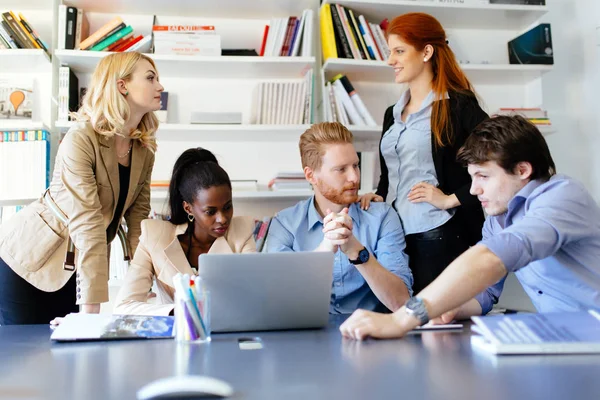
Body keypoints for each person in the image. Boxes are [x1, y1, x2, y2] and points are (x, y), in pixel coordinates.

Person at [339, 115, 600, 340]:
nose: (474, 190)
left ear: (522, 170)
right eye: (472, 178)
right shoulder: (498, 219)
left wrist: (402, 318)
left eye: (483, 176)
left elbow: (491, 258)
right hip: (562, 337)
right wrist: (451, 307)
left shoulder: (562, 197)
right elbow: (486, 292)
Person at [0, 52, 163, 325]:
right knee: (25, 358)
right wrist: (91, 317)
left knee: (68, 359)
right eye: (150, 78)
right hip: (29, 262)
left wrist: (144, 288)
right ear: (122, 85)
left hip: (75, 268)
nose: (160, 86)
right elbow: (88, 222)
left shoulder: (144, 152)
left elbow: (139, 224)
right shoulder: (80, 139)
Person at [359, 13, 488, 294]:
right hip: (392, 236)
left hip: (436, 235)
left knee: (434, 326)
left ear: (426, 51)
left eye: (399, 51)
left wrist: (451, 199)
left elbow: (499, 162)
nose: (390, 60)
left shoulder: (458, 107)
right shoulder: (391, 116)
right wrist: (378, 194)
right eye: (390, 51)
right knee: (398, 320)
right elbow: (392, 176)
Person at [267, 122, 413, 314]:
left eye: (355, 166)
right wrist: (326, 248)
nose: (354, 177)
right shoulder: (284, 225)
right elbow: (278, 301)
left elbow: (402, 303)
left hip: (372, 335)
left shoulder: (382, 216)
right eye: (341, 169)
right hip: (309, 336)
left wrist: (356, 251)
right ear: (311, 176)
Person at [114, 148, 256, 316]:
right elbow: (124, 305)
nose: (223, 219)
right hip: (173, 335)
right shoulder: (154, 236)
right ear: (188, 208)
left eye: (227, 207)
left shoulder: (241, 231)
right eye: (211, 211)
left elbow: (254, 298)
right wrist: (179, 311)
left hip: (226, 333)